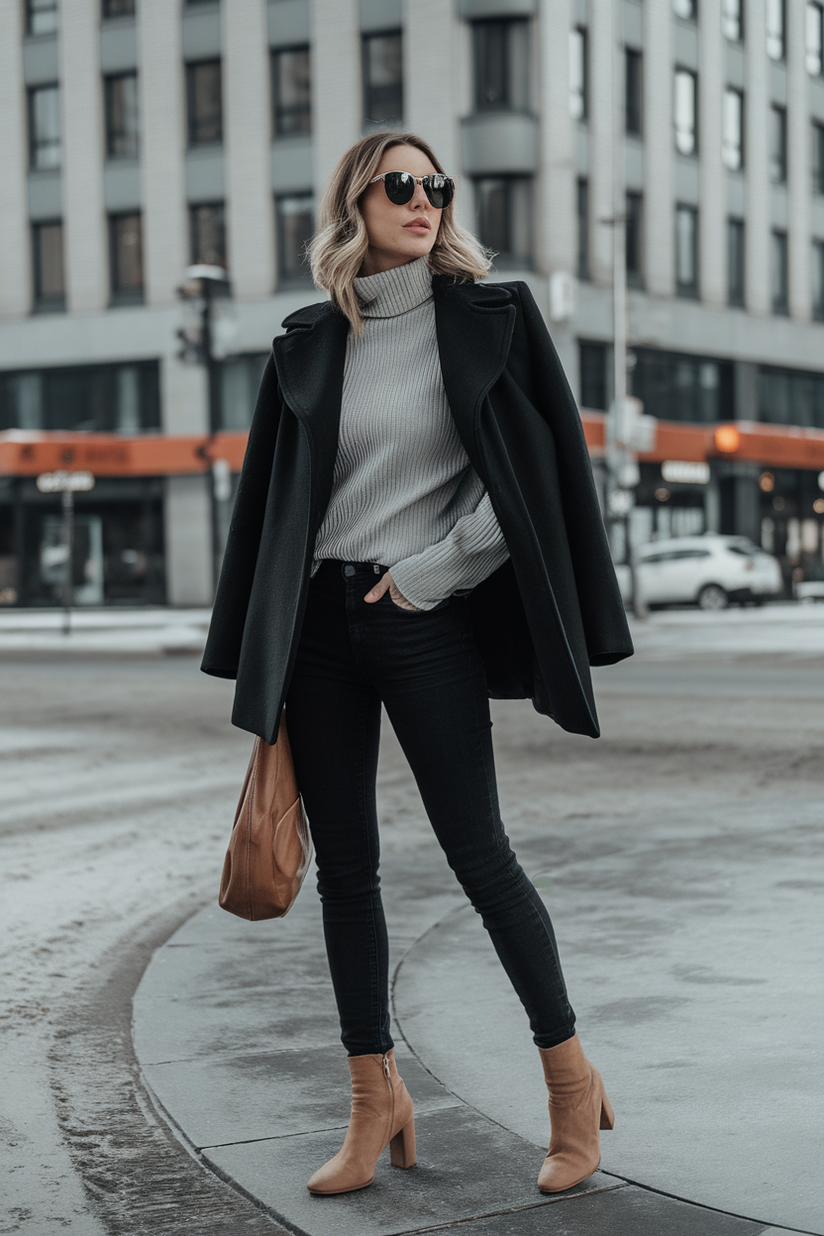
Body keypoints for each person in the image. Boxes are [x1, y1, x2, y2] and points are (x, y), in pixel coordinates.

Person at [202, 130, 633, 1198]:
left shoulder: (489, 316)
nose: (423, 199)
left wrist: (434, 571)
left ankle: (569, 1085)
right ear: (357, 202)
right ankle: (372, 1100)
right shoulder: (308, 339)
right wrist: (266, 633)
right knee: (346, 872)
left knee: (479, 857)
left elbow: (528, 478)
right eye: (400, 184)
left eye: (435, 185)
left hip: (420, 615)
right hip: (318, 625)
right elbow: (270, 505)